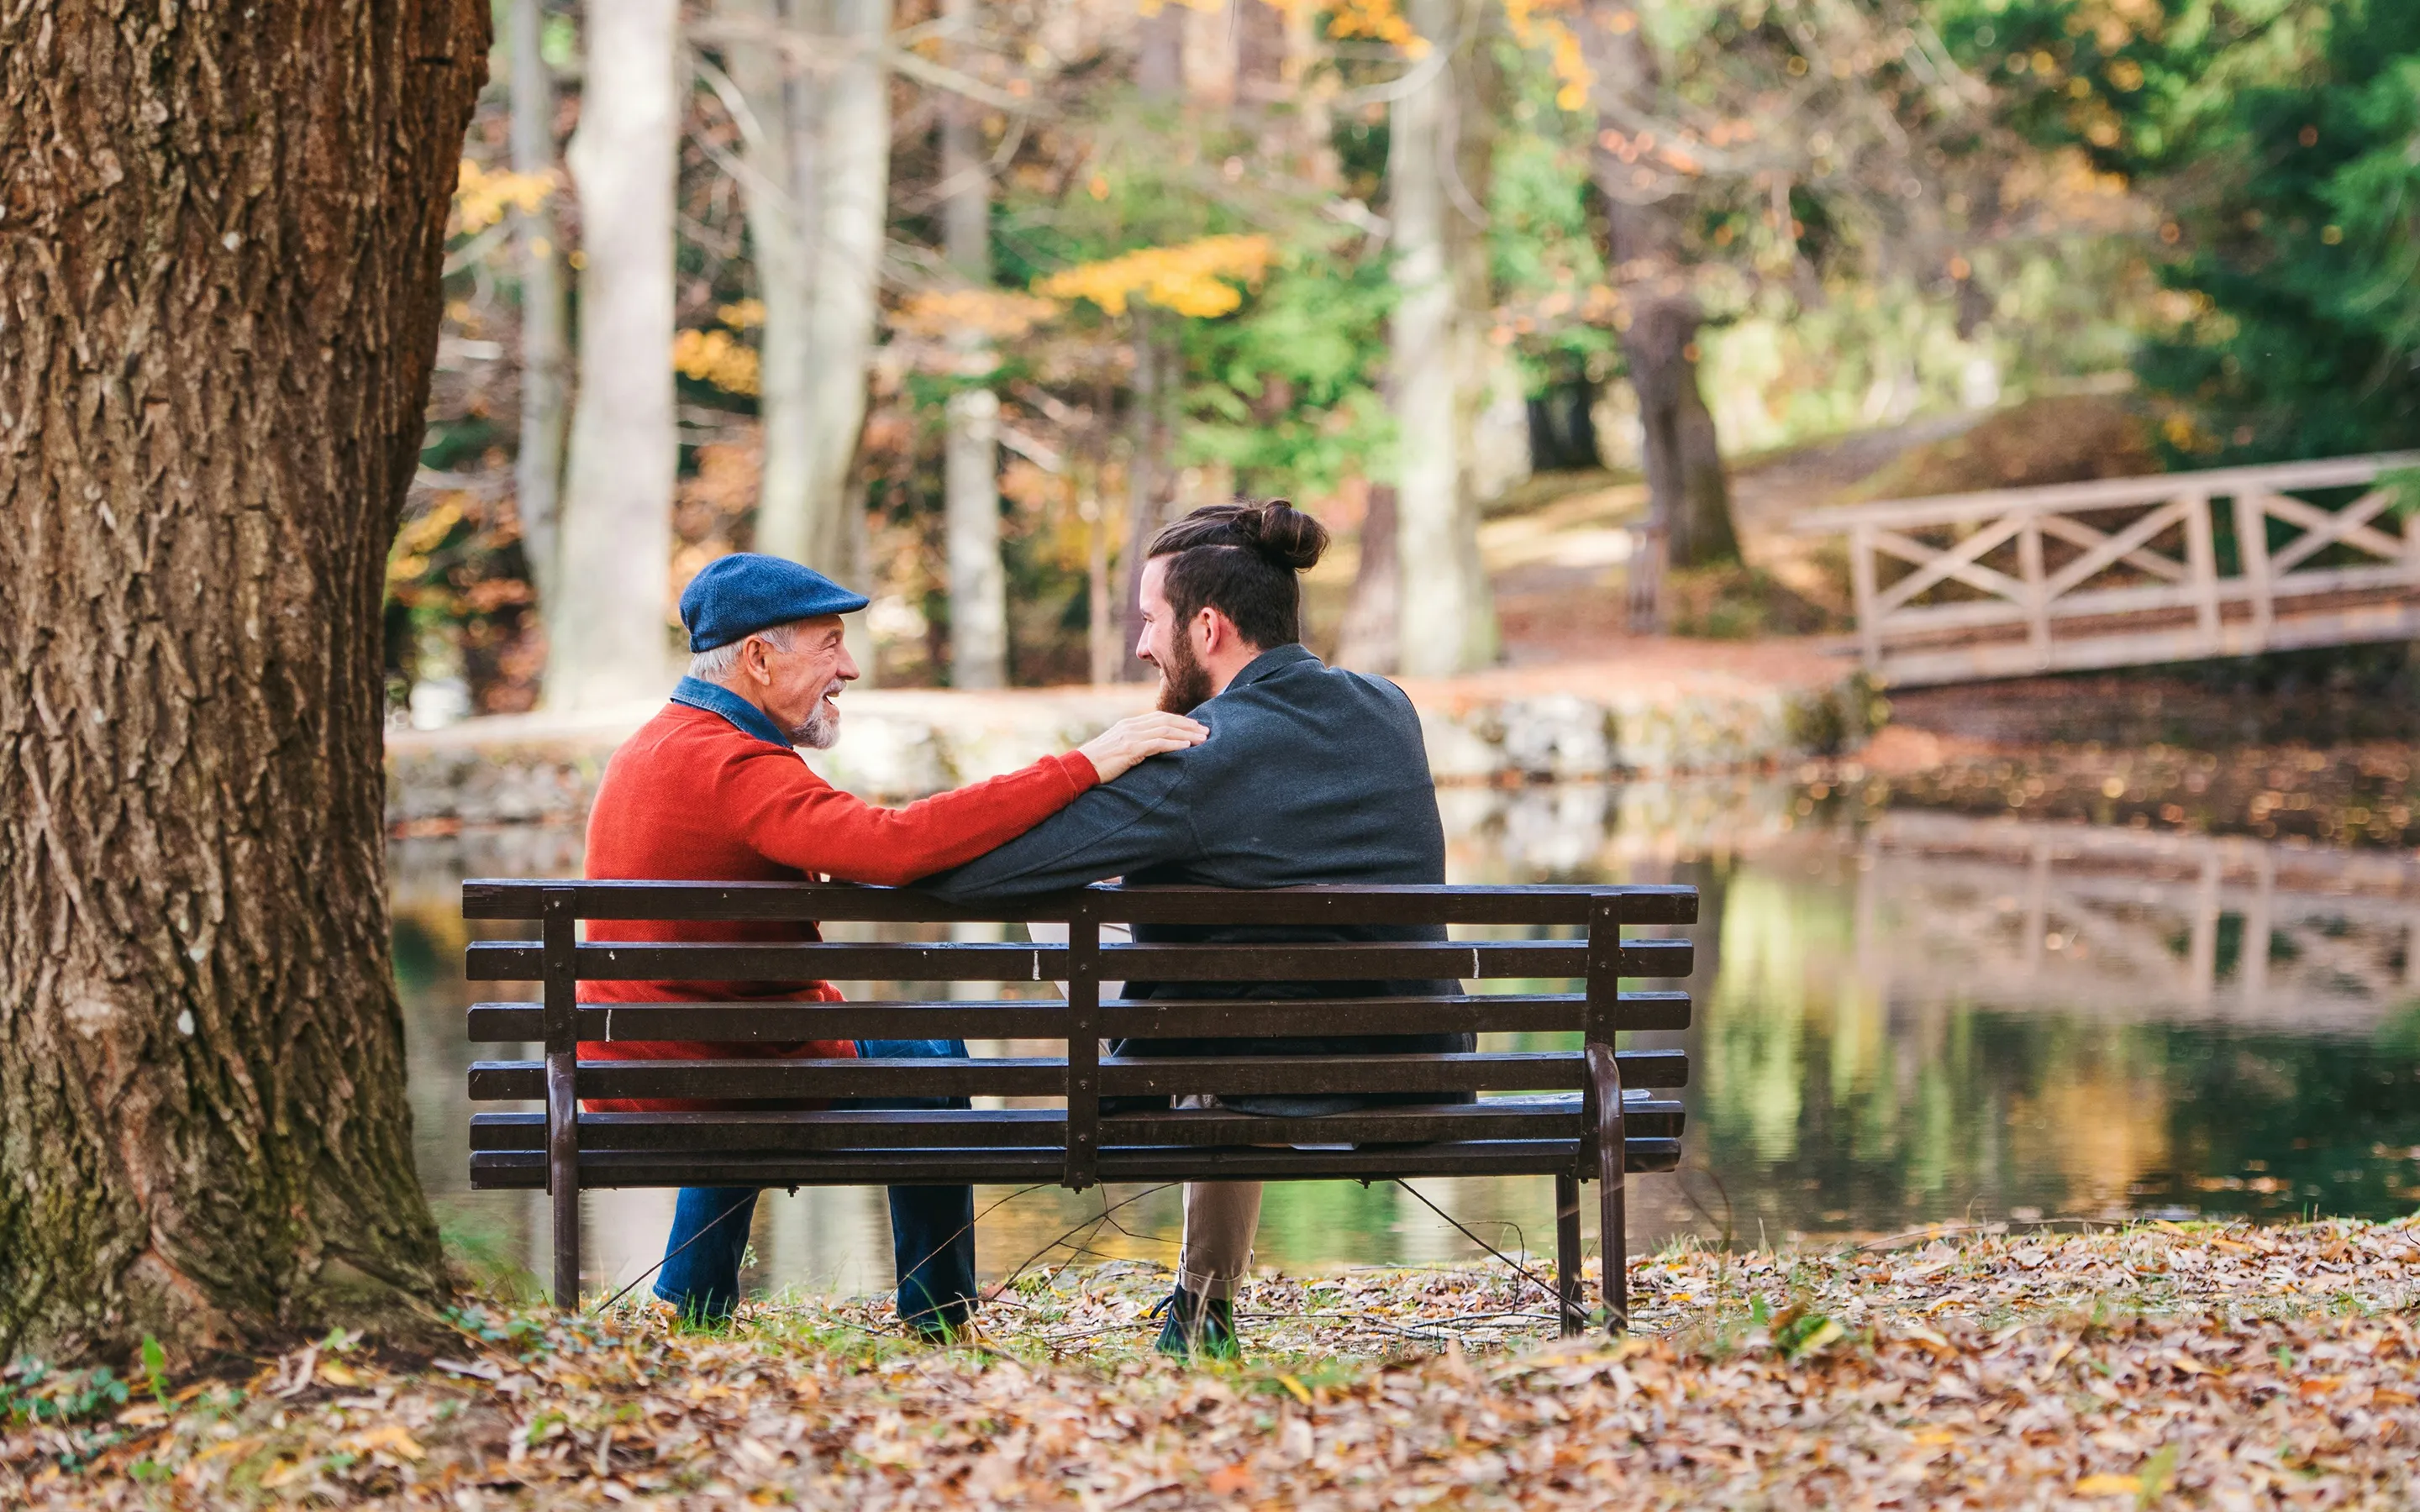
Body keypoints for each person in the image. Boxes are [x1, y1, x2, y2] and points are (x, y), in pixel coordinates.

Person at [580, 552, 1205, 1333]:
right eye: (830, 643)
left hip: (642, 1062)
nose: (849, 666)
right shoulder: (735, 766)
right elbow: (896, 846)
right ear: (758, 657)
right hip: (714, 1075)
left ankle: (694, 1302)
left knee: (762, 1045)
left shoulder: (657, 746)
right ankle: (939, 1315)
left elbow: (860, 834)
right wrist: (1085, 764)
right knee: (931, 1054)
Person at [922, 501, 1463, 1361]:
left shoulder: (1198, 752)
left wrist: (1095, 761)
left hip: (1246, 1076)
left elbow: (985, 872)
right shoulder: (1387, 709)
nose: (1142, 645)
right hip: (1413, 1077)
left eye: (1150, 620)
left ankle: (1203, 1310)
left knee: (1085, 916)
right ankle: (1200, 1306)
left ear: (1207, 627)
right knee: (1237, 1002)